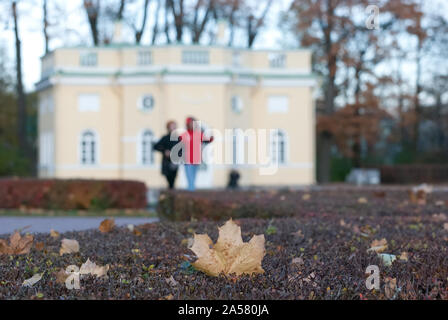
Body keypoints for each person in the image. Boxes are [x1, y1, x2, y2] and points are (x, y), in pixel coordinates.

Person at [179, 117, 213, 191]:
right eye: (191, 123)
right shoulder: (183, 135)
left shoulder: (198, 134)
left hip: (196, 159)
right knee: (190, 177)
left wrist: (211, 135)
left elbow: (208, 140)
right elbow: (179, 146)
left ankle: (191, 190)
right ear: (188, 124)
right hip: (187, 159)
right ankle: (191, 190)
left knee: (193, 176)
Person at [153, 121, 179, 189]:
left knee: (173, 180)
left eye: (175, 126)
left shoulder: (178, 138)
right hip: (166, 163)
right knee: (169, 180)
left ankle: (171, 194)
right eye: (172, 126)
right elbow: (156, 146)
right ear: (168, 128)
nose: (174, 128)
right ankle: (171, 194)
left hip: (174, 162)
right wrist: (165, 151)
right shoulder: (165, 138)